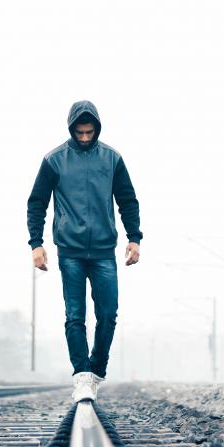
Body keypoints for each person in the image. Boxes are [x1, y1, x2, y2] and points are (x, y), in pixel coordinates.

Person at [27, 100, 143, 402]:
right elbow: (36, 203)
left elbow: (127, 201)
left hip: (104, 250)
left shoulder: (112, 159)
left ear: (97, 129)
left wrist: (134, 238)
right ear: (71, 129)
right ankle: (81, 376)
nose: (84, 137)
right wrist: (36, 244)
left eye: (89, 132)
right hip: (71, 250)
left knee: (108, 314)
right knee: (75, 315)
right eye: (79, 132)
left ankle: (96, 371)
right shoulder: (54, 160)